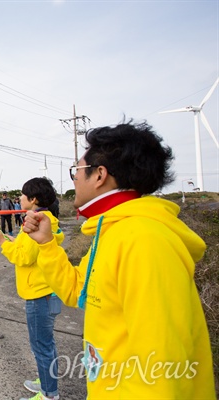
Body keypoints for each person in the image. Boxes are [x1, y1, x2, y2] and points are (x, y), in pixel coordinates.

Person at [22, 120, 215, 399]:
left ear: (99, 175)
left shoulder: (145, 240)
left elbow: (161, 370)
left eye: (76, 170)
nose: (73, 179)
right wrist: (48, 245)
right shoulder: (112, 232)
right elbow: (78, 291)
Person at [0, 178, 64, 400]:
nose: (19, 198)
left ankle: (49, 394)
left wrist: (1, 241)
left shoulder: (37, 220)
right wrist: (9, 238)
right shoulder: (43, 219)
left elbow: (23, 257)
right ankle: (46, 379)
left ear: (34, 198)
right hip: (46, 292)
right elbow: (26, 247)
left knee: (41, 346)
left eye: (22, 194)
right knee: (46, 343)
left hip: (39, 294)